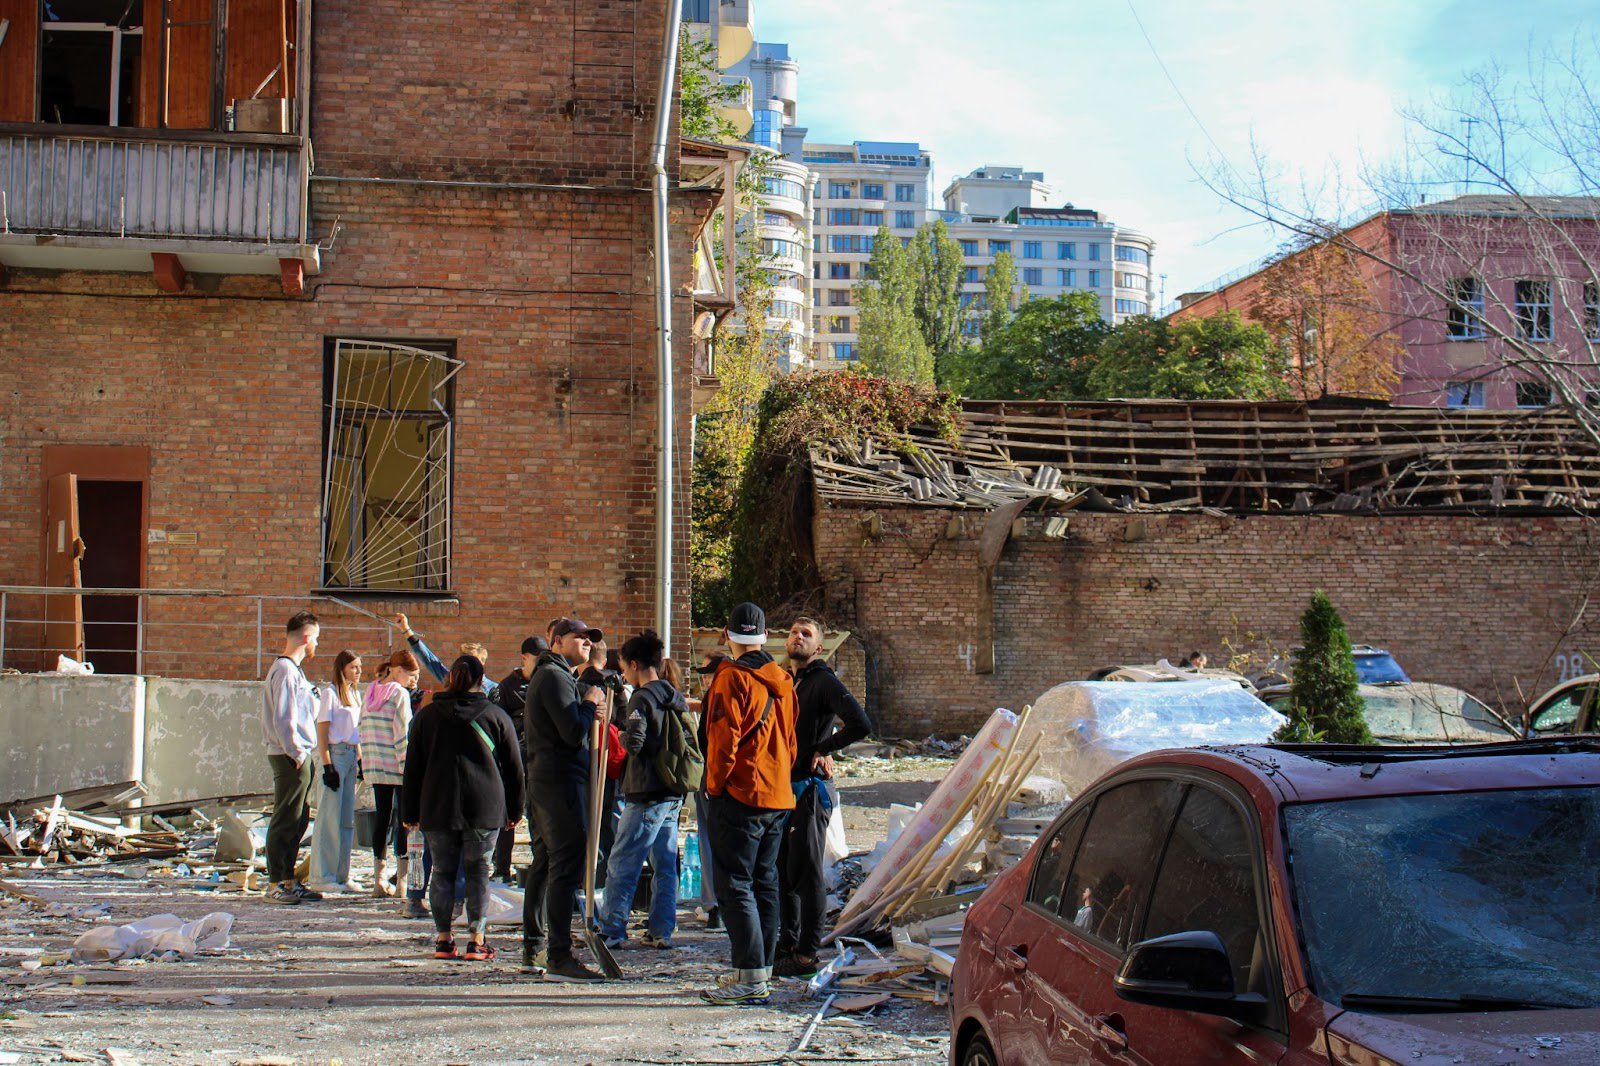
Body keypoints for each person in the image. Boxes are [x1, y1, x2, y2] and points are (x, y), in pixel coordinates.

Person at [698, 603, 798, 1005]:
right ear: (765, 634)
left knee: (735, 884)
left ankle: (750, 977)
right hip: (777, 793)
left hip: (742, 793)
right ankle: (760, 972)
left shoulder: (731, 679)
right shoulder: (784, 681)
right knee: (764, 882)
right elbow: (791, 743)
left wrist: (714, 787)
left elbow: (723, 741)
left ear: (726, 634)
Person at [402, 655, 525, 962]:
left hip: (437, 805)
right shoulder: (496, 716)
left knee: (442, 871)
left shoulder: (426, 718)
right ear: (481, 681)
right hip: (486, 805)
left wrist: (409, 812)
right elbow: (514, 768)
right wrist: (515, 810)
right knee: (479, 872)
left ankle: (443, 940)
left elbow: (413, 768)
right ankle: (477, 940)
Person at [775, 617, 872, 979]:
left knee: (807, 871)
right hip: (786, 786)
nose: (797, 637)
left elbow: (860, 723)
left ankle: (806, 956)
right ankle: (787, 944)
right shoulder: (787, 681)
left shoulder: (823, 681)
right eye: (793, 632)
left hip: (811, 791)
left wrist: (823, 748)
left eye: (806, 634)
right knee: (784, 870)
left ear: (818, 647)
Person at [521, 617, 609, 981]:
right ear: (557, 642)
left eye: (590, 639)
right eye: (579, 637)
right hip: (558, 783)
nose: (586, 643)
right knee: (565, 864)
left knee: (544, 862)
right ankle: (558, 955)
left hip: (550, 780)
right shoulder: (555, 677)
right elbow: (572, 732)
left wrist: (587, 707)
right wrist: (589, 704)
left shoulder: (558, 676)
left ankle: (535, 947)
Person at [598, 630, 689, 950]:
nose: (623, 673)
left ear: (635, 664)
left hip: (645, 791)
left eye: (623, 666)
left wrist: (618, 730)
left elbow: (634, 742)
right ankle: (661, 929)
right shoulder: (672, 694)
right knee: (665, 864)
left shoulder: (642, 697)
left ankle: (612, 928)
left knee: (623, 862)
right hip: (672, 791)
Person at [261, 611, 324, 905]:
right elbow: (284, 717)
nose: (317, 646)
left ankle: (288, 878)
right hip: (290, 756)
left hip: (298, 754)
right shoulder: (285, 670)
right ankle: (276, 883)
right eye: (317, 639)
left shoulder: (294, 671)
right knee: (286, 818)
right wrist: (296, 752)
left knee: (298, 819)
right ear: (306, 637)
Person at [361, 649, 420, 904]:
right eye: (411, 676)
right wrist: (407, 764)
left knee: (381, 818)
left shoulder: (371, 690)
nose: (412, 682)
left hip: (375, 763)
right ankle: (403, 883)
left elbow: (361, 725)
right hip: (397, 765)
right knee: (403, 821)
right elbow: (402, 732)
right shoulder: (399, 694)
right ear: (399, 671)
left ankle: (378, 880)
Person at [490, 635, 547, 882]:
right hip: (514, 757)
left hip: (539, 759)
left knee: (538, 815)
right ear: (524, 658)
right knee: (508, 816)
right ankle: (501, 867)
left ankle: (539, 867)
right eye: (538, 660)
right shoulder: (506, 687)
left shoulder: (547, 681)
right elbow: (500, 726)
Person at [308, 650, 365, 894]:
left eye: (359, 667)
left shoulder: (354, 694)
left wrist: (361, 759)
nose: (358, 671)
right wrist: (327, 763)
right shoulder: (330, 694)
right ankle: (322, 875)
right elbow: (323, 730)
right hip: (336, 753)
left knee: (345, 819)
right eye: (353, 667)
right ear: (342, 668)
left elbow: (357, 728)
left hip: (352, 754)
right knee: (328, 816)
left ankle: (342, 874)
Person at [578, 640, 625, 888]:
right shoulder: (617, 687)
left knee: (585, 825)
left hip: (584, 762)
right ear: (605, 660)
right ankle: (603, 882)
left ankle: (586, 882)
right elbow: (627, 724)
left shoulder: (577, 686)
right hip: (608, 765)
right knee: (608, 826)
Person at [394, 613, 499, 699]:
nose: (466, 665)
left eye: (471, 661)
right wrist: (406, 630)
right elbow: (430, 660)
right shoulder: (452, 680)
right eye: (463, 660)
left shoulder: (495, 690)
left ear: (482, 663)